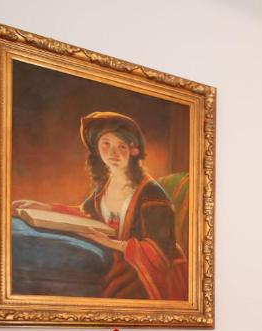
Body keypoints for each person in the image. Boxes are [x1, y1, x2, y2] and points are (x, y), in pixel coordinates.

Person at [13, 111, 188, 300]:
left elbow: (160, 253)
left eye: (121, 146)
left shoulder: (151, 193)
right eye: (106, 144)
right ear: (97, 148)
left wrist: (110, 243)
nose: (113, 153)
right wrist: (45, 208)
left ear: (133, 150)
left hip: (148, 271)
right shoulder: (105, 185)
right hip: (116, 257)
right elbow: (86, 214)